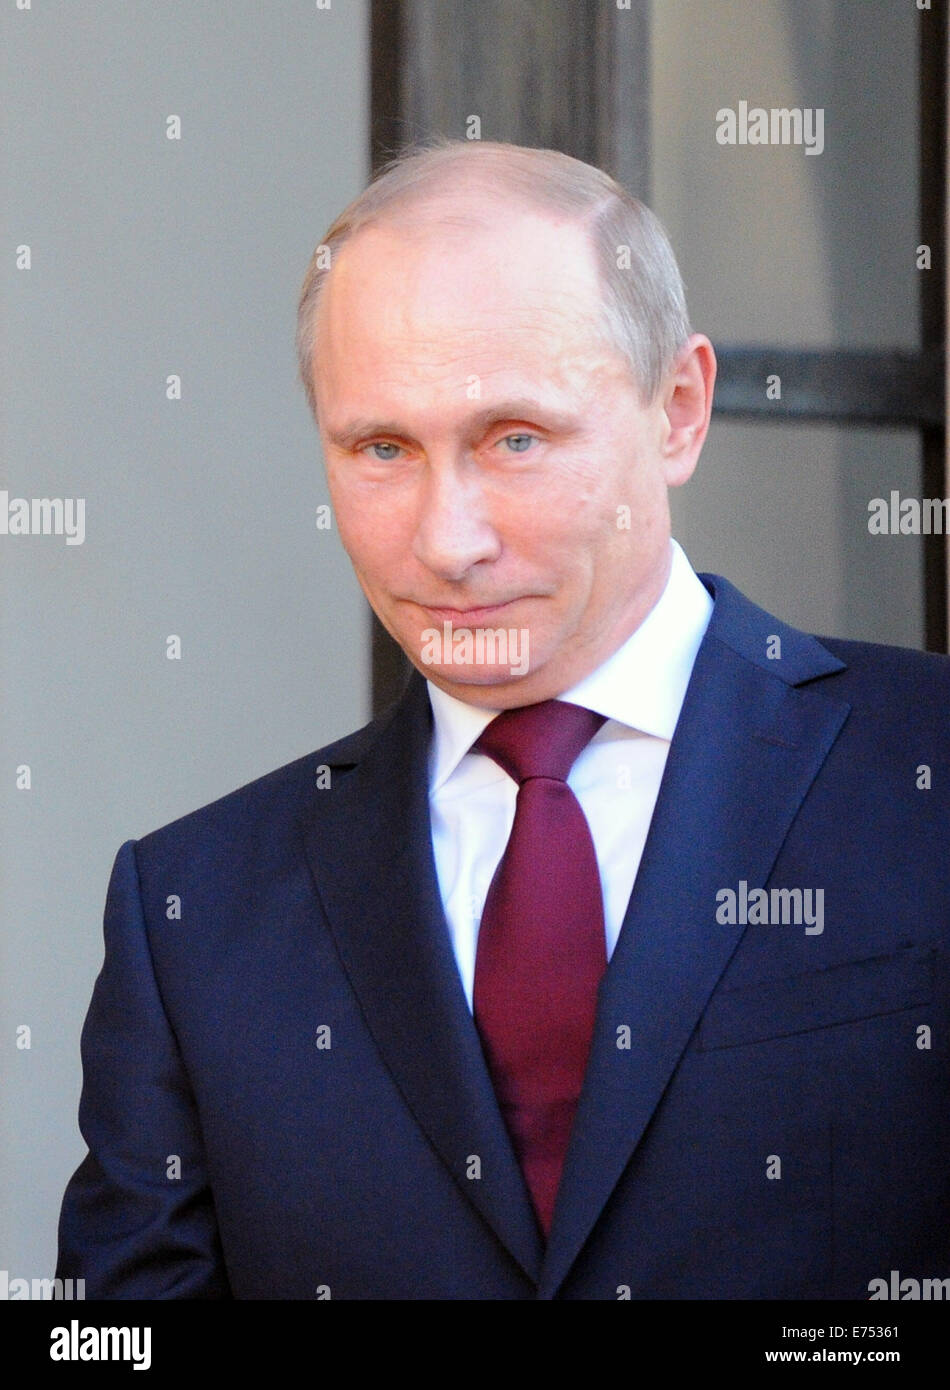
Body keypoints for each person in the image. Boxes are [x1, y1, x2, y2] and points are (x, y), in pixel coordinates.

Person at [57, 139, 949, 1300]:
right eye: (382, 448)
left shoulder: (922, 772)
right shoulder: (192, 912)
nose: (447, 541)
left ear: (678, 410)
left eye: (513, 439)